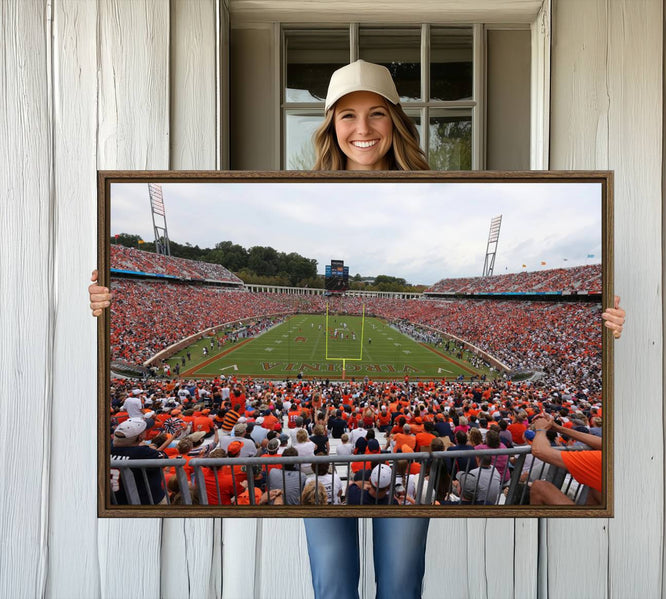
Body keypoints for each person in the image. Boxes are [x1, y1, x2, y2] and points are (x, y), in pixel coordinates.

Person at [88, 59, 627, 599]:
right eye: (347, 115)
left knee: (399, 583)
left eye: (376, 114)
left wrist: (606, 323)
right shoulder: (296, 183)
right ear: (330, 125)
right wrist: (105, 301)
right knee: (333, 584)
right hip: (369, 472)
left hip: (362, 473)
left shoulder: (438, 188)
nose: (362, 129)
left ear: (396, 120)